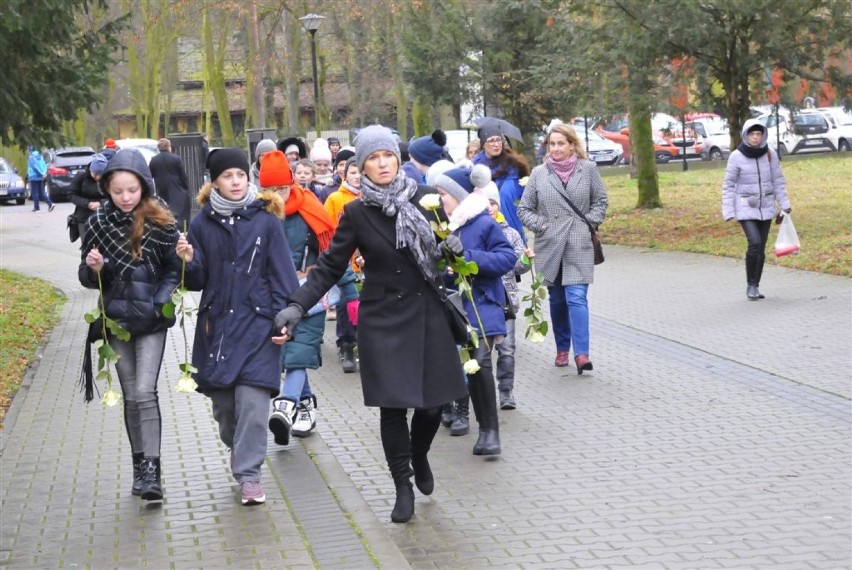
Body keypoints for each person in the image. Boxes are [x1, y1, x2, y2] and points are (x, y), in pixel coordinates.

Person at [273, 125, 468, 524]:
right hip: (384, 318)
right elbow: (329, 267)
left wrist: (453, 249)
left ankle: (419, 454)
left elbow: (448, 248)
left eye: (387, 156)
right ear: (360, 166)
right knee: (394, 406)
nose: (381, 164)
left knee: (433, 406)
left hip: (427, 312)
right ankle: (402, 484)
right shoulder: (356, 213)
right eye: (372, 159)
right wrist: (297, 305)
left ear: (397, 159)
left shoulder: (425, 199)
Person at [175, 148, 299, 506]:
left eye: (241, 176)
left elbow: (283, 275)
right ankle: (240, 450)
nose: (235, 181)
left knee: (254, 406)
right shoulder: (201, 224)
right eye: (227, 176)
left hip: (260, 326)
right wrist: (188, 261)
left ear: (249, 178)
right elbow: (196, 281)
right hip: (219, 330)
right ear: (213, 182)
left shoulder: (266, 221)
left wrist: (287, 316)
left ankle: (249, 475)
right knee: (226, 410)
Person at [78, 148, 182, 501]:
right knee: (130, 396)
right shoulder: (96, 224)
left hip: (151, 319)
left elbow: (173, 270)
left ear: (144, 188)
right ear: (107, 188)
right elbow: (88, 278)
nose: (125, 198)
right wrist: (93, 267)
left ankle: (153, 470)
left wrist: (159, 301)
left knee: (144, 391)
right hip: (116, 319)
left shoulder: (161, 221)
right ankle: (140, 467)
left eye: (132, 190)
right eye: (118, 190)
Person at [433, 165, 517, 455]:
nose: (440, 199)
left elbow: (507, 257)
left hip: (483, 304)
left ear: (458, 195)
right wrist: (441, 258)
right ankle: (464, 417)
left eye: (443, 194)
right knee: (467, 365)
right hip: (457, 307)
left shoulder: (483, 223)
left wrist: (467, 256)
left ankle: (490, 431)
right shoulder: (446, 227)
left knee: (480, 362)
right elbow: (443, 273)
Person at [259, 151, 338, 445]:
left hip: (312, 288)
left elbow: (333, 252)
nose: (277, 194)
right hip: (275, 293)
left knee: (298, 352)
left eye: (281, 188)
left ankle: (285, 405)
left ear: (291, 183)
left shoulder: (310, 206)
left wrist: (351, 293)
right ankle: (305, 405)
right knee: (287, 352)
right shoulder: (257, 213)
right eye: (270, 189)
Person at [518, 123, 608, 372]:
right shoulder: (539, 173)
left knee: (576, 297)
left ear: (572, 145)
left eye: (561, 143)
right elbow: (524, 209)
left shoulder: (588, 169)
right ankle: (562, 348)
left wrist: (589, 222)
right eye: (552, 144)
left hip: (579, 242)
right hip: (550, 243)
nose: (556, 148)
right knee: (557, 299)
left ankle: (582, 354)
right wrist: (542, 225)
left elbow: (600, 200)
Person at [722, 120, 792, 300]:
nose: (755, 137)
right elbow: (728, 185)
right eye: (752, 134)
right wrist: (728, 210)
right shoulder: (736, 156)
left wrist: (784, 204)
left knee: (760, 247)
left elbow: (778, 180)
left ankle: (756, 284)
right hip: (745, 206)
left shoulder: (770, 154)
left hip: (766, 206)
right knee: (754, 242)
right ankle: (750, 285)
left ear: (763, 136)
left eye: (758, 134)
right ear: (746, 135)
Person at [484, 182, 533, 410]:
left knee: (507, 349)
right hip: (483, 300)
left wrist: (525, 260)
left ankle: (506, 392)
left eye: (492, 203)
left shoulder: (510, 233)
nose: (489, 208)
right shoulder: (473, 232)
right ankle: (479, 394)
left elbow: (516, 269)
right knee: (482, 352)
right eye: (484, 203)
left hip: (506, 301)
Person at [323, 157, 363, 373]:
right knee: (345, 306)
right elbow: (328, 231)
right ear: (344, 174)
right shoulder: (335, 199)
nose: (357, 177)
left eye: (360, 172)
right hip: (345, 264)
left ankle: (363, 346)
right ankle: (346, 345)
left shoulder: (369, 197)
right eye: (353, 172)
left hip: (366, 264)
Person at [472, 128, 530, 243]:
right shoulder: (475, 168)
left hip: (513, 224)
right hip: (488, 226)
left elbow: (526, 194)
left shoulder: (515, 164)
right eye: (491, 141)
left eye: (498, 140)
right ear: (483, 144)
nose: (496, 144)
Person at [149, 138, 191, 228]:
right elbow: (182, 174)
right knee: (179, 207)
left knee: (164, 206)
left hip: (161, 186)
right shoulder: (176, 158)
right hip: (176, 185)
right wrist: (186, 186)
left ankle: (166, 224)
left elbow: (151, 174)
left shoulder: (154, 160)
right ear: (169, 147)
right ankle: (180, 227)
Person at [68, 153, 108, 243]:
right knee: (87, 246)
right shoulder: (81, 177)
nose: (97, 177)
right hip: (84, 217)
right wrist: (87, 204)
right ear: (91, 170)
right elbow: (71, 194)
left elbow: (114, 198)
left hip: (103, 217)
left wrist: (101, 203)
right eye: (95, 174)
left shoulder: (109, 180)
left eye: (100, 174)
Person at [27, 146, 55, 212]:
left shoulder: (31, 157)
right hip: (41, 177)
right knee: (41, 192)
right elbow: (44, 165)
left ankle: (37, 208)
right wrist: (44, 173)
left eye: (28, 149)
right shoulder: (40, 156)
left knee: (34, 193)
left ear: (30, 150)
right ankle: (50, 204)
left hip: (34, 177)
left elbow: (34, 167)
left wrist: (40, 174)